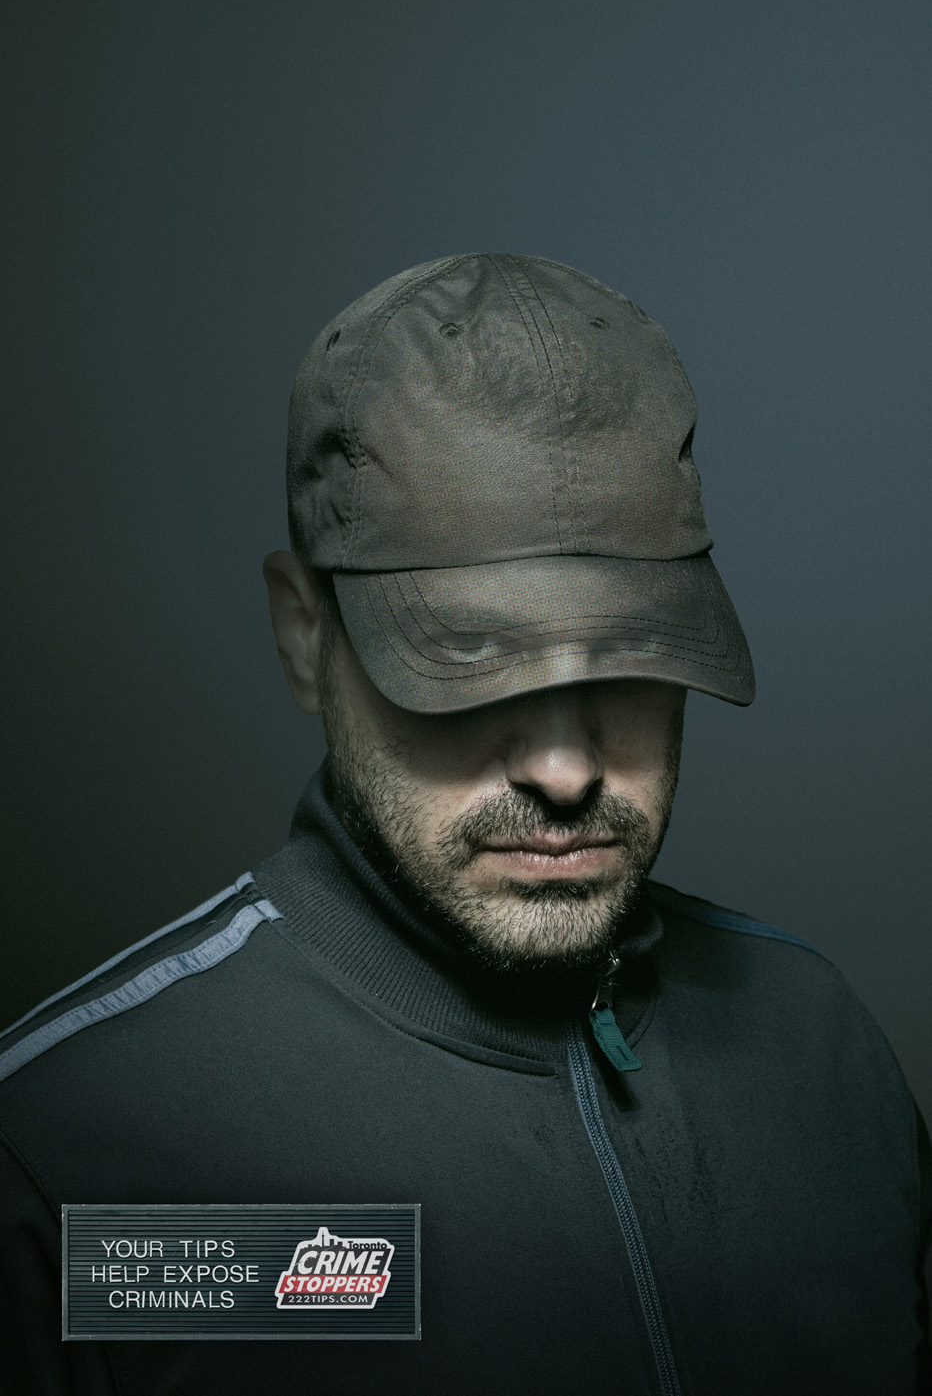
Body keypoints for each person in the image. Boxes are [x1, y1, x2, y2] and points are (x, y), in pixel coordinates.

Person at [1, 252, 928, 1395]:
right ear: (304, 634)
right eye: (469, 657)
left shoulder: (821, 1050)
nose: (564, 768)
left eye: (631, 656)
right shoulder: (69, 1159)